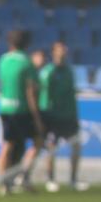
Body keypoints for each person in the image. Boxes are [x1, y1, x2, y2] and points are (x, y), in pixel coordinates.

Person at [0, 29, 45, 195]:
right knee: (38, 141)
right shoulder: (26, 62)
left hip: (4, 106)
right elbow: (31, 91)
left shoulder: (3, 59)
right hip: (21, 109)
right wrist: (37, 117)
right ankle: (24, 176)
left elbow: (1, 83)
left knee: (8, 144)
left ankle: (4, 183)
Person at [39, 41, 86, 193]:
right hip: (53, 118)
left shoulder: (69, 72)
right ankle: (50, 179)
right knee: (51, 148)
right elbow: (45, 97)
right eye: (59, 50)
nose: (63, 53)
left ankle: (73, 179)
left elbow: (71, 95)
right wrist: (45, 118)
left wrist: (75, 115)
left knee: (76, 146)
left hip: (69, 116)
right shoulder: (48, 72)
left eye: (64, 50)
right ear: (53, 52)